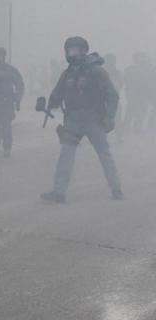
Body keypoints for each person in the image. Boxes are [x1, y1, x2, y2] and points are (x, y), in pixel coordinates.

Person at [41, 36, 122, 203]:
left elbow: (111, 95)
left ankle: (116, 188)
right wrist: (47, 103)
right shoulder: (67, 73)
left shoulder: (96, 71)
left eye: (75, 49)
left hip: (94, 120)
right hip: (73, 121)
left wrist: (109, 117)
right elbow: (57, 94)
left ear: (84, 51)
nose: (71, 53)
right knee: (66, 156)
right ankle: (59, 192)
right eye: (69, 49)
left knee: (104, 154)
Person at [123, 52, 152, 136]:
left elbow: (148, 82)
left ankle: (136, 128)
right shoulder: (130, 69)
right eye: (139, 58)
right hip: (134, 94)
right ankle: (126, 128)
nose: (141, 60)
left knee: (141, 112)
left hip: (142, 94)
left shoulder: (145, 69)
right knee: (131, 111)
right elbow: (128, 81)